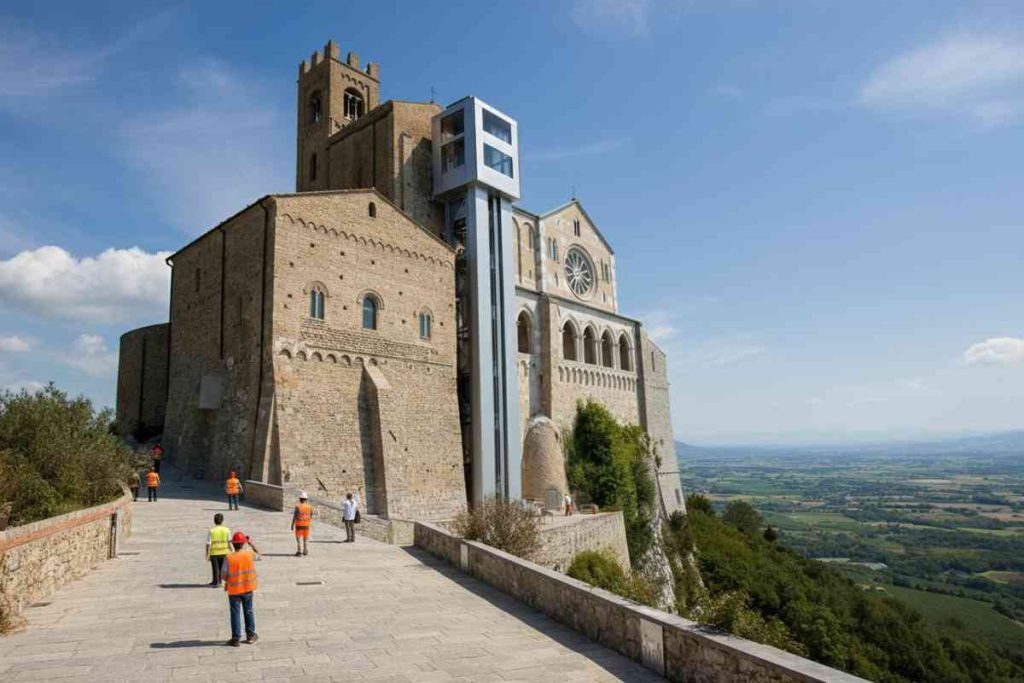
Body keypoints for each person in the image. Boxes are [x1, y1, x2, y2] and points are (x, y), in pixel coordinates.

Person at [221, 531, 258, 646]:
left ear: (233, 544)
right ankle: (250, 635)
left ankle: (236, 638)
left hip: (234, 590)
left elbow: (223, 575)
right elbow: (259, 555)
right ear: (243, 544)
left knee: (235, 613)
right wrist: (250, 543)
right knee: (248, 611)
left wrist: (230, 579)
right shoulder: (249, 554)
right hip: (248, 588)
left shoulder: (228, 558)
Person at [206, 514, 231, 587]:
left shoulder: (212, 531)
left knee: (215, 568)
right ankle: (218, 581)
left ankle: (216, 582)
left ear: (214, 521)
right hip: (224, 552)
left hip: (214, 552)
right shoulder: (227, 530)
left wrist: (207, 553)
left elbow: (208, 543)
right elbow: (229, 541)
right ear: (222, 521)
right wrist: (231, 550)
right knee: (221, 568)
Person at [290, 492, 312, 556]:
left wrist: (292, 525)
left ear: (300, 499)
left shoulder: (297, 507)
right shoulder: (309, 507)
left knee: (298, 538)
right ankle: (305, 551)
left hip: (299, 525)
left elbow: (295, 516)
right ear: (306, 499)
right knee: (305, 538)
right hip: (306, 525)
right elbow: (311, 516)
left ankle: (299, 552)